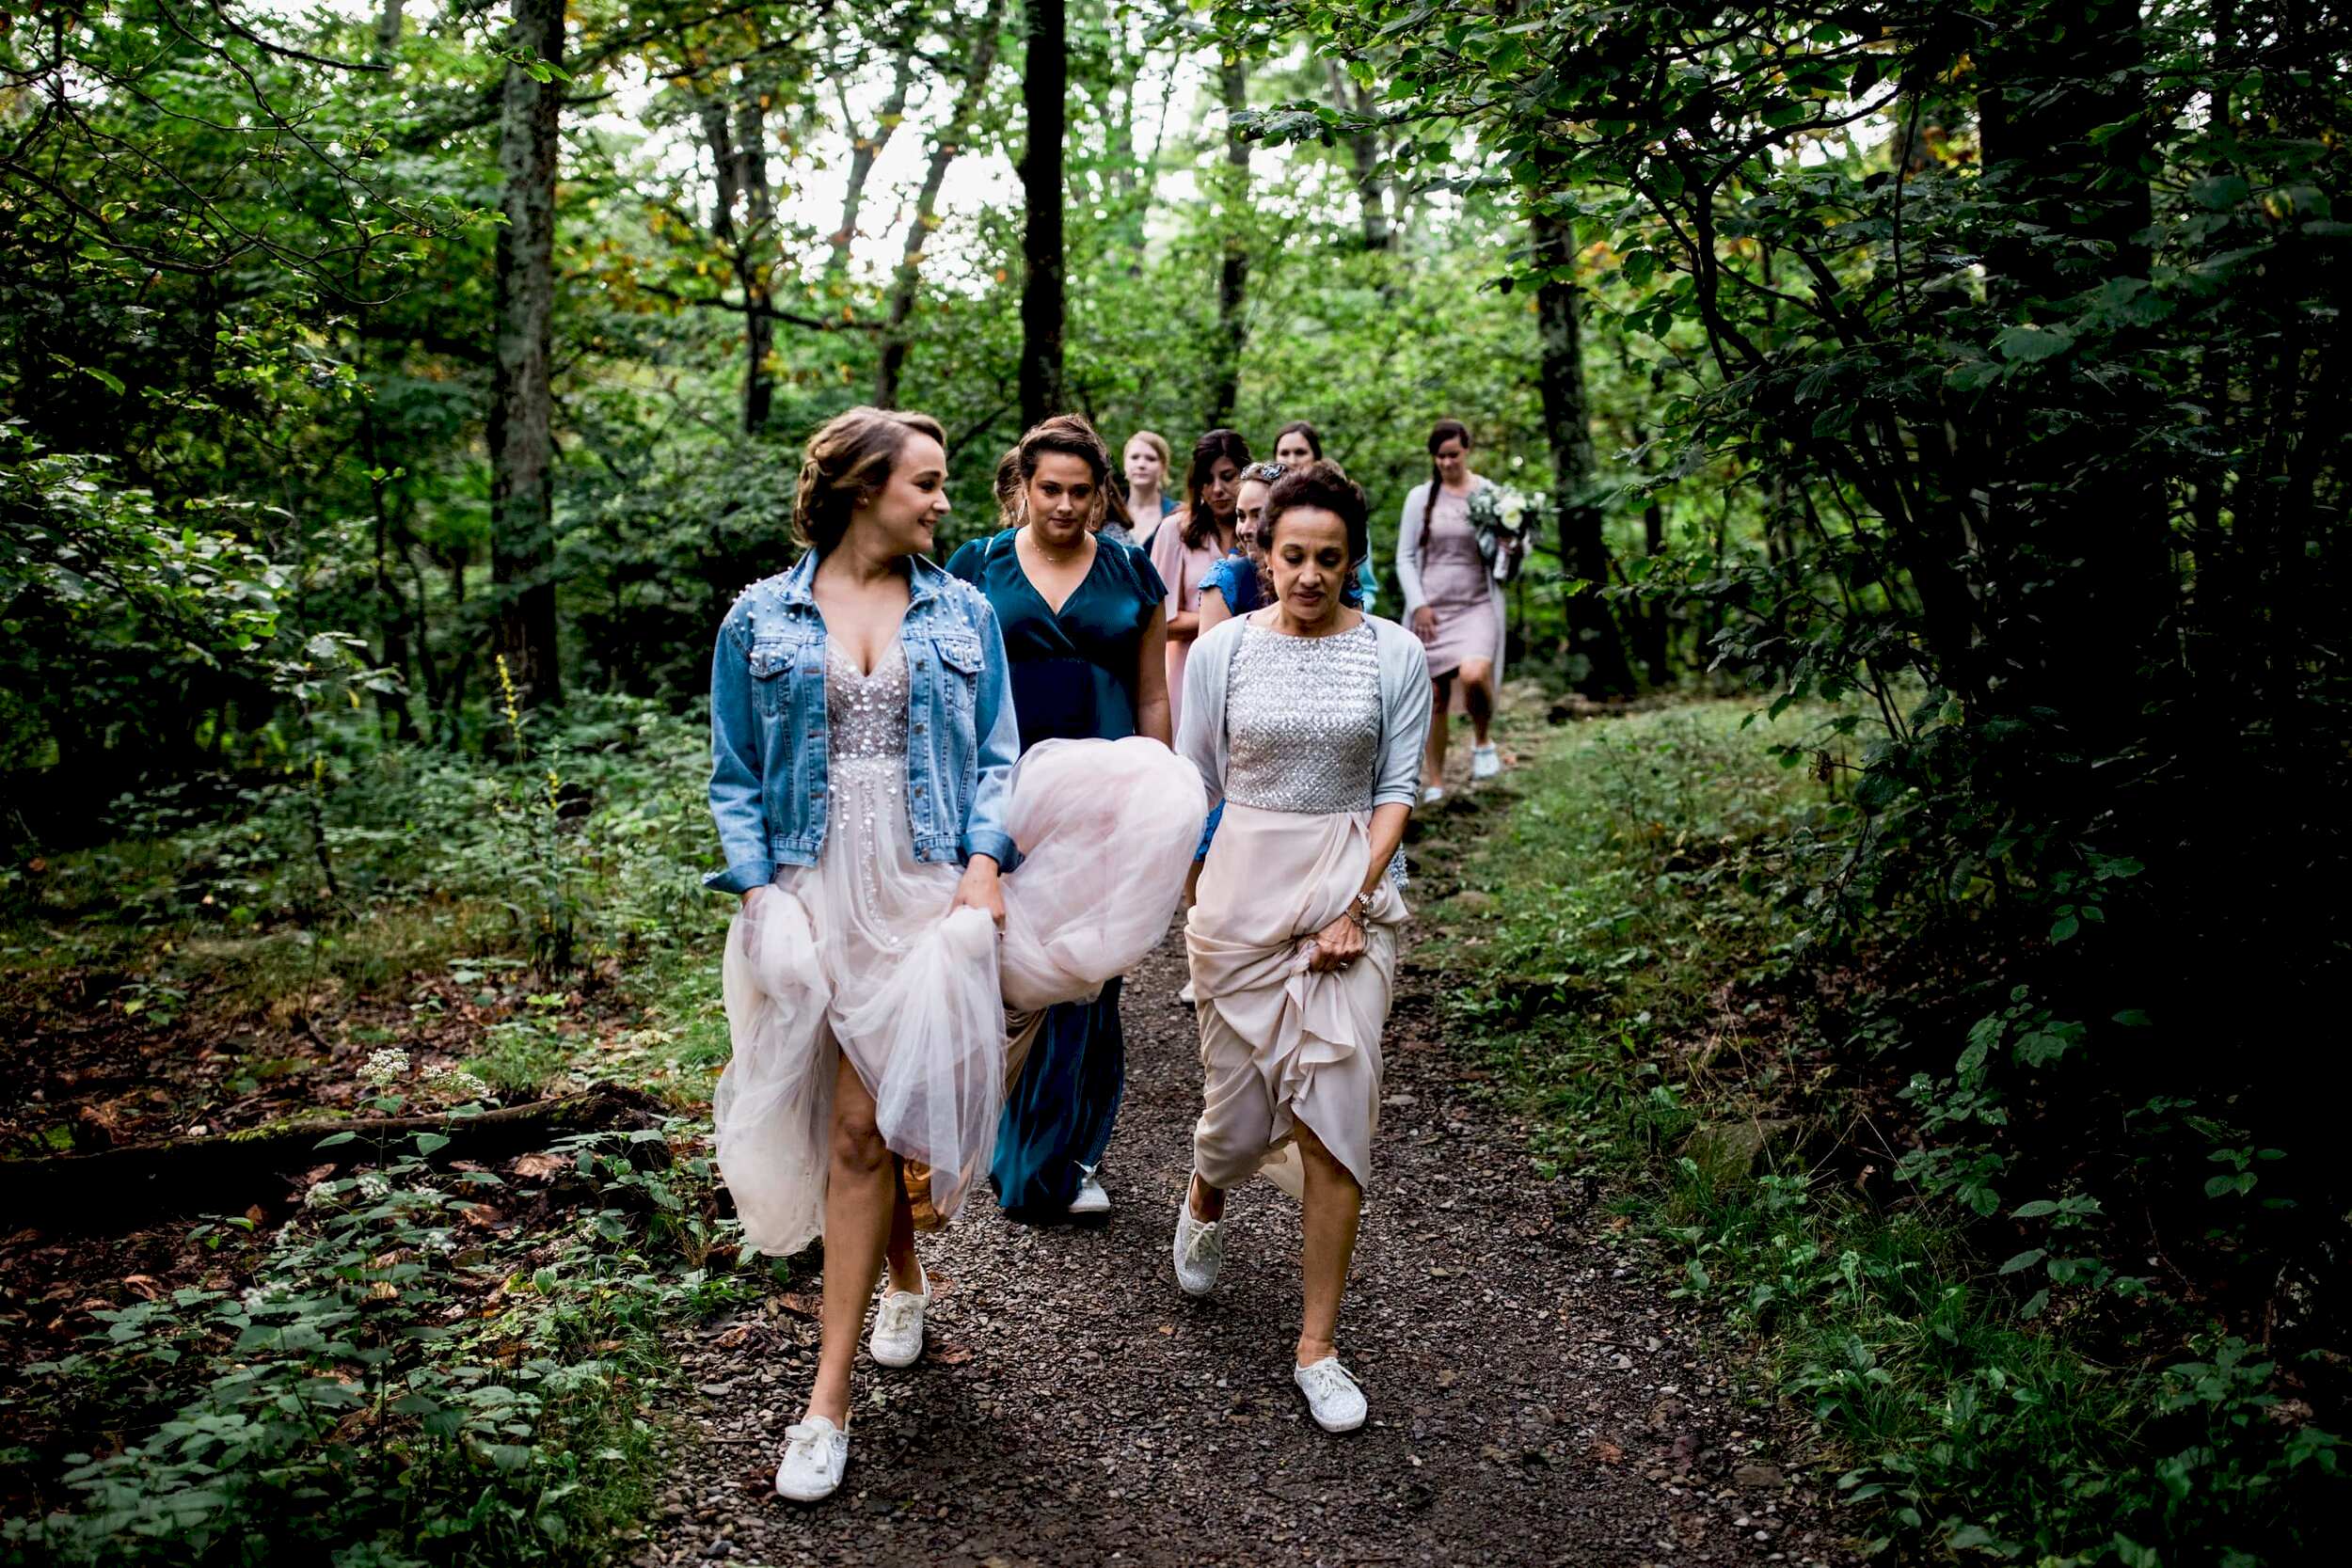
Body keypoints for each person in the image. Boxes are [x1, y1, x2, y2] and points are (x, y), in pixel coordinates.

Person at [707, 407, 1200, 1504]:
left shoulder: (964, 611)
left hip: (928, 887)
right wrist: (756, 893)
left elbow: (993, 759)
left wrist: (985, 866)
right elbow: (735, 774)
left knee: (873, 1123)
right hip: (810, 888)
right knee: (848, 1129)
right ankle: (866, 1334)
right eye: (924, 484)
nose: (945, 502)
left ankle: (859, 1342)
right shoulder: (758, 620)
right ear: (859, 486)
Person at [1171, 459, 1432, 1434]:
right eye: (1292, 555)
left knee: (1334, 1108)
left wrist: (1351, 904)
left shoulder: (1394, 653)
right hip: (1238, 893)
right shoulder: (1222, 649)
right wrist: (1185, 896)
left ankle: (1316, 1343)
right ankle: (1206, 1187)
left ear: (1354, 559)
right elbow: (1191, 782)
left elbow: (1396, 790)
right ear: (1261, 554)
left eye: (1329, 558)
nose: (1310, 574)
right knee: (1236, 1120)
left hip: (1345, 889)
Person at [946, 415, 1170, 1219]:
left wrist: (1163, 790)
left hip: (1106, 791)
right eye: (1051, 489)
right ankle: (994, 1135)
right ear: (1024, 487)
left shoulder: (1133, 571)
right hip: (1004, 787)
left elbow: (1150, 692)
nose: (1066, 506)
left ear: (1103, 493)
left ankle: (1068, 1158)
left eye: (1082, 491)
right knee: (1001, 963)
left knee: (1087, 972)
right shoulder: (975, 565)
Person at [1394, 418, 1504, 802]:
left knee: (1475, 674)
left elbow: (1499, 557)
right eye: (1439, 457)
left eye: (1452, 455)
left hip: (1476, 604)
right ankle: (1437, 781)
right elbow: (1405, 557)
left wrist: (1511, 546)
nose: (1446, 463)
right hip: (1431, 608)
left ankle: (1483, 740)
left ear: (1467, 450)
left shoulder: (1488, 494)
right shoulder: (1420, 498)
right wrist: (1418, 604)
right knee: (1435, 697)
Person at [1150, 427, 1250, 737]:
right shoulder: (1174, 531)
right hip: (1187, 676)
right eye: (1208, 480)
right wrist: (1225, 618)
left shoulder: (1260, 532)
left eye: (1228, 476)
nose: (1217, 489)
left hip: (1248, 675)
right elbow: (1158, 622)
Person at [1271, 420, 1379, 610]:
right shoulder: (1262, 510)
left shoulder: (1342, 512)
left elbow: (1366, 586)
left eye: (1300, 452)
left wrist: (1355, 614)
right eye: (1284, 453)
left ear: (1316, 457)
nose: (1292, 460)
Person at [1122, 430, 1179, 546]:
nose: (1141, 464)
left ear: (1163, 466)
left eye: (1151, 459)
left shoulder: (1178, 514)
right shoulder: (1108, 515)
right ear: (1125, 464)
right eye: (1134, 457)